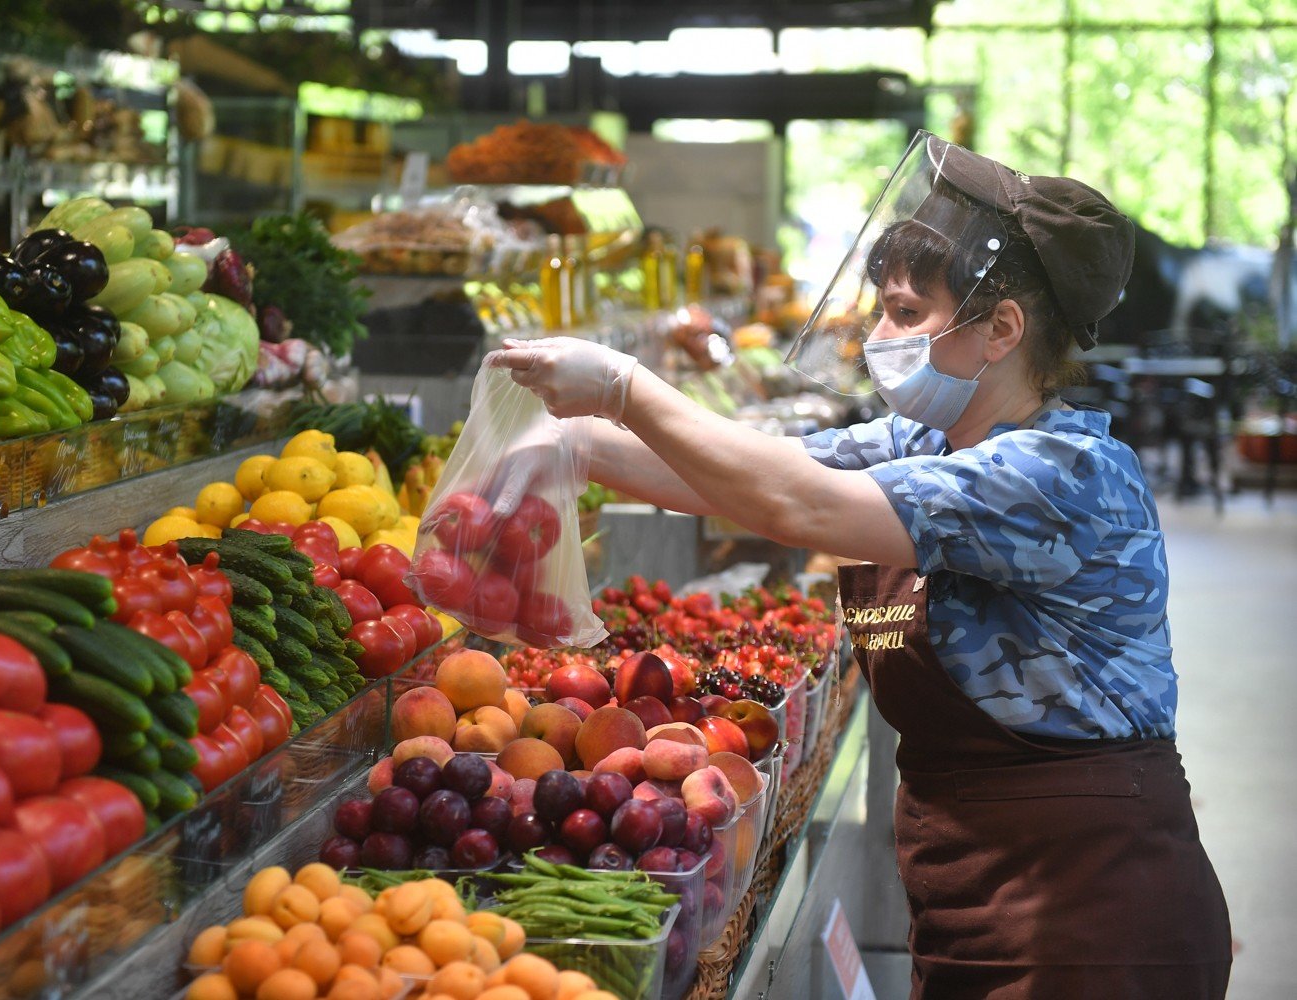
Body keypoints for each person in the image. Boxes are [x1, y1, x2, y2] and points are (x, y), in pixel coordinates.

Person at [487, 132, 1232, 999]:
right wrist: (572, 442)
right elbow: (751, 469)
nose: (879, 337)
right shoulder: (923, 440)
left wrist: (624, 386)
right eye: (881, 308)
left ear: (1001, 330)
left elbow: (794, 506)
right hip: (968, 883)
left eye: (907, 315)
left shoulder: (1057, 476)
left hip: (1091, 901)